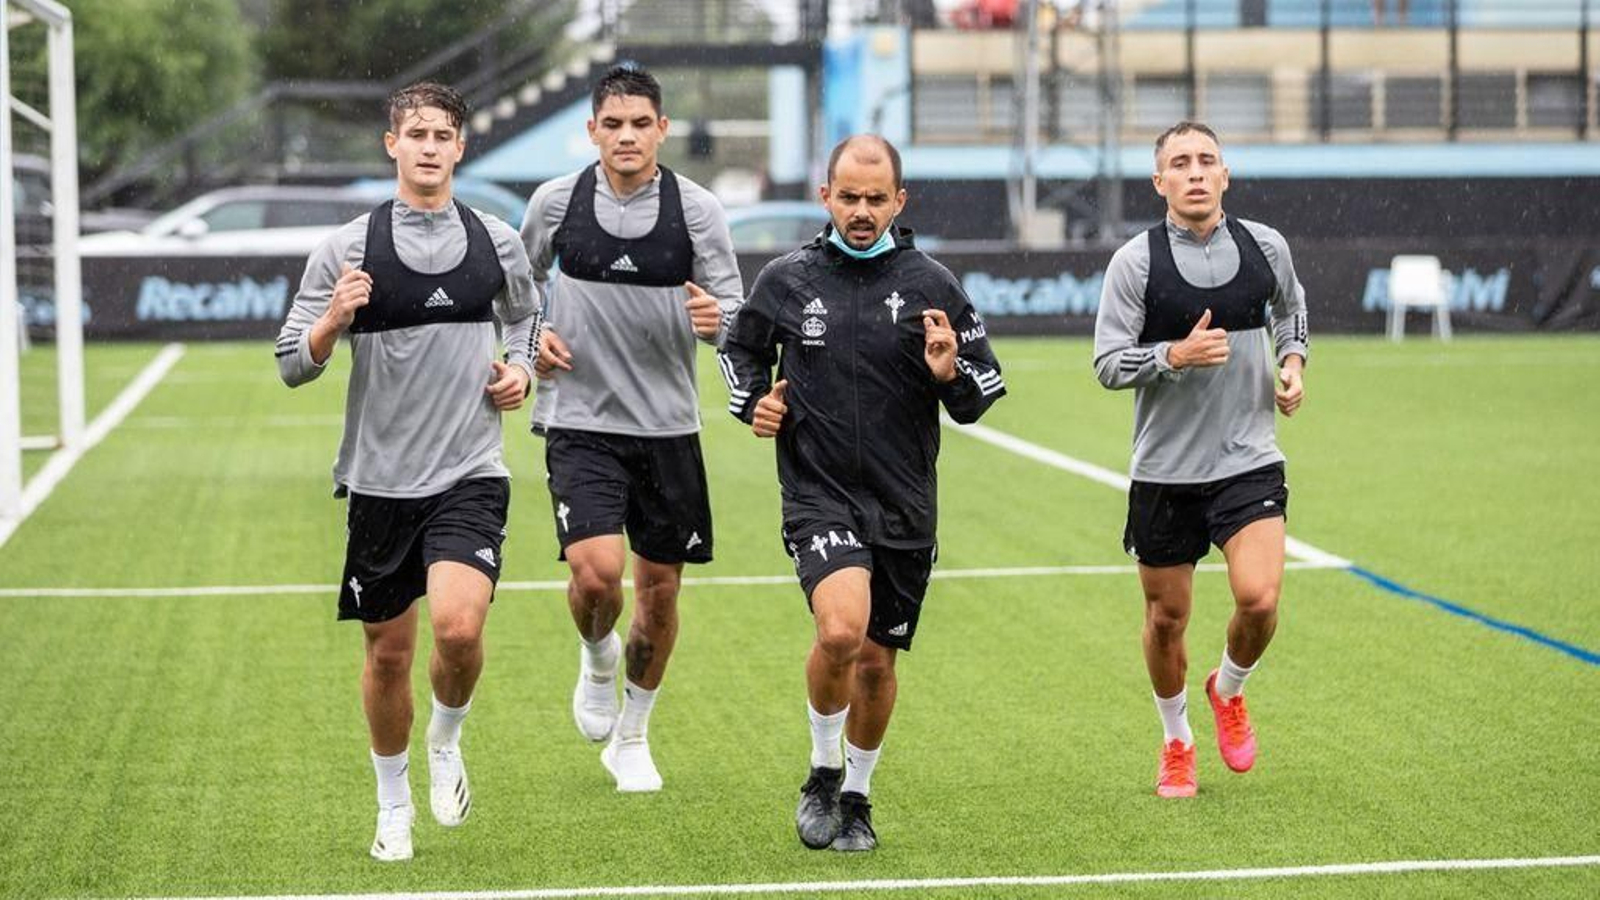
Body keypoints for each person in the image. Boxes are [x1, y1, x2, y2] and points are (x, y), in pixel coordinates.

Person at [720, 135, 1006, 852]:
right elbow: (740, 349)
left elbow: (982, 391)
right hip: (818, 493)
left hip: (906, 502)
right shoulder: (787, 279)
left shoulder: (933, 284)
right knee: (842, 630)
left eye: (876, 198)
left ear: (899, 201)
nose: (861, 210)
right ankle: (821, 768)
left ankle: (857, 794)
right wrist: (755, 403)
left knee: (877, 661)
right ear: (825, 196)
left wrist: (948, 374)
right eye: (848, 196)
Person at [276, 82, 538, 861]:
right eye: (415, 133)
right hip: (380, 481)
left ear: (461, 147)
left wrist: (519, 370)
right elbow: (292, 363)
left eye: (443, 134)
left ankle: (446, 739)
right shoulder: (347, 249)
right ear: (392, 144)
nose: (429, 146)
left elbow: (526, 314)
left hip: (470, 470)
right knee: (387, 654)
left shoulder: (497, 241)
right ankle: (393, 804)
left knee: (459, 629)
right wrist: (332, 322)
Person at [519, 63, 743, 792]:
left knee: (661, 593)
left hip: (668, 428)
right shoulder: (556, 204)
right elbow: (515, 297)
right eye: (612, 124)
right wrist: (529, 344)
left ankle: (634, 735)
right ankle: (594, 656)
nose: (626, 136)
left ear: (662, 129)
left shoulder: (698, 210)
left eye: (640, 123)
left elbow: (735, 313)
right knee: (597, 576)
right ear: (591, 131)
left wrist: (718, 322)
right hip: (578, 420)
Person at [1092, 121, 1308, 800]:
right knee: (1166, 620)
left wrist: (1293, 362)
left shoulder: (1265, 246)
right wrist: (1171, 356)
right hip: (1165, 473)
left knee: (1260, 598)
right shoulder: (1136, 262)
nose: (1193, 171)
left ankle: (1229, 688)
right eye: (1178, 163)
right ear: (1159, 182)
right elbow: (1106, 364)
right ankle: (1177, 739)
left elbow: (1290, 311)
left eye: (1205, 160)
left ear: (1224, 175)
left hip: (1248, 459)